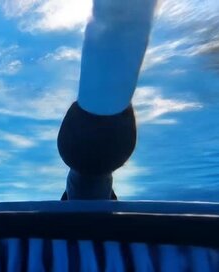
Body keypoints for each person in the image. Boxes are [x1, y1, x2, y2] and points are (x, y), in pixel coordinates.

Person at [58, 0, 157, 200]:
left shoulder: (95, 153)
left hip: (106, 144)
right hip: (90, 143)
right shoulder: (77, 152)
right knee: (90, 153)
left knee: (92, 154)